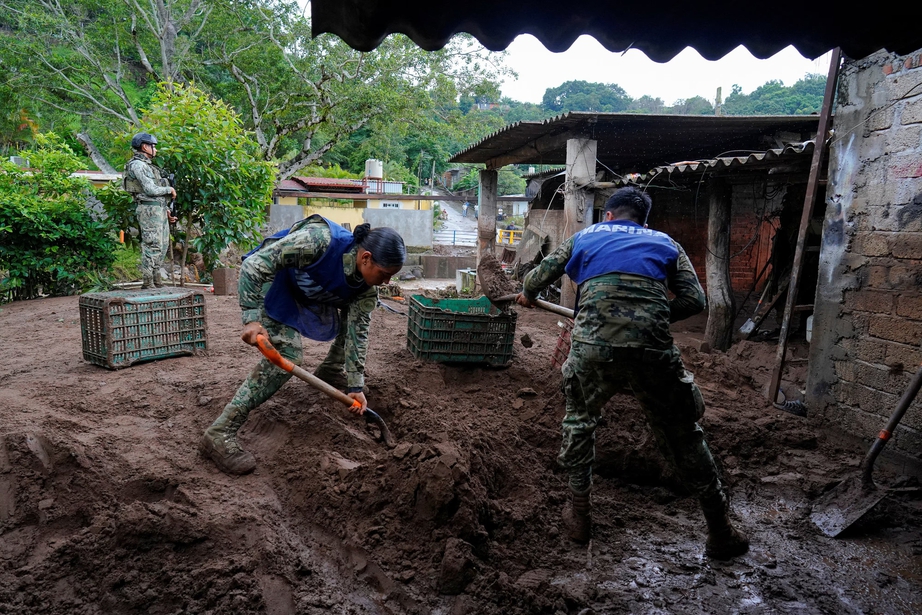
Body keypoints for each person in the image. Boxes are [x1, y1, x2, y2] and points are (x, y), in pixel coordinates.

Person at [515, 186, 749, 560]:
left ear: (608, 215)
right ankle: (720, 531)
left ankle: (579, 517)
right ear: (644, 222)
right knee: (684, 433)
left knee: (580, 422)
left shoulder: (585, 237)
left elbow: (534, 281)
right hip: (653, 350)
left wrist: (528, 294)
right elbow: (695, 300)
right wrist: (651, 316)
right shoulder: (666, 243)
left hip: (593, 348)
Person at [200, 215, 406, 475]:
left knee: (354, 317)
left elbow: (358, 332)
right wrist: (251, 318)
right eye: (385, 274)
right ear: (366, 258)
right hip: (274, 281)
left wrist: (355, 386)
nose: (387, 282)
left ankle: (330, 371)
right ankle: (220, 432)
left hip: (307, 290)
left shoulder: (365, 289)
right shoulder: (318, 241)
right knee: (288, 354)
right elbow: (254, 265)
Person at [122, 132, 177, 288]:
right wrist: (169, 189)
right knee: (152, 244)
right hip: (148, 209)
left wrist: (166, 210)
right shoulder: (137, 165)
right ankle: (148, 282)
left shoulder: (148, 166)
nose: (156, 150)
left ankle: (156, 280)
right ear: (145, 147)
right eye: (153, 146)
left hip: (157, 209)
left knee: (163, 245)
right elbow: (150, 189)